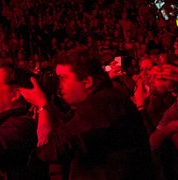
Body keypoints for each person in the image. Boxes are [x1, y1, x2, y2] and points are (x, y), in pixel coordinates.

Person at [21, 46, 155, 179]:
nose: (59, 85)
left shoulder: (103, 105)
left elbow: (53, 150)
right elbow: (68, 128)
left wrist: (42, 106)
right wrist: (46, 105)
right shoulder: (103, 100)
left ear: (87, 81)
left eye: (63, 78)